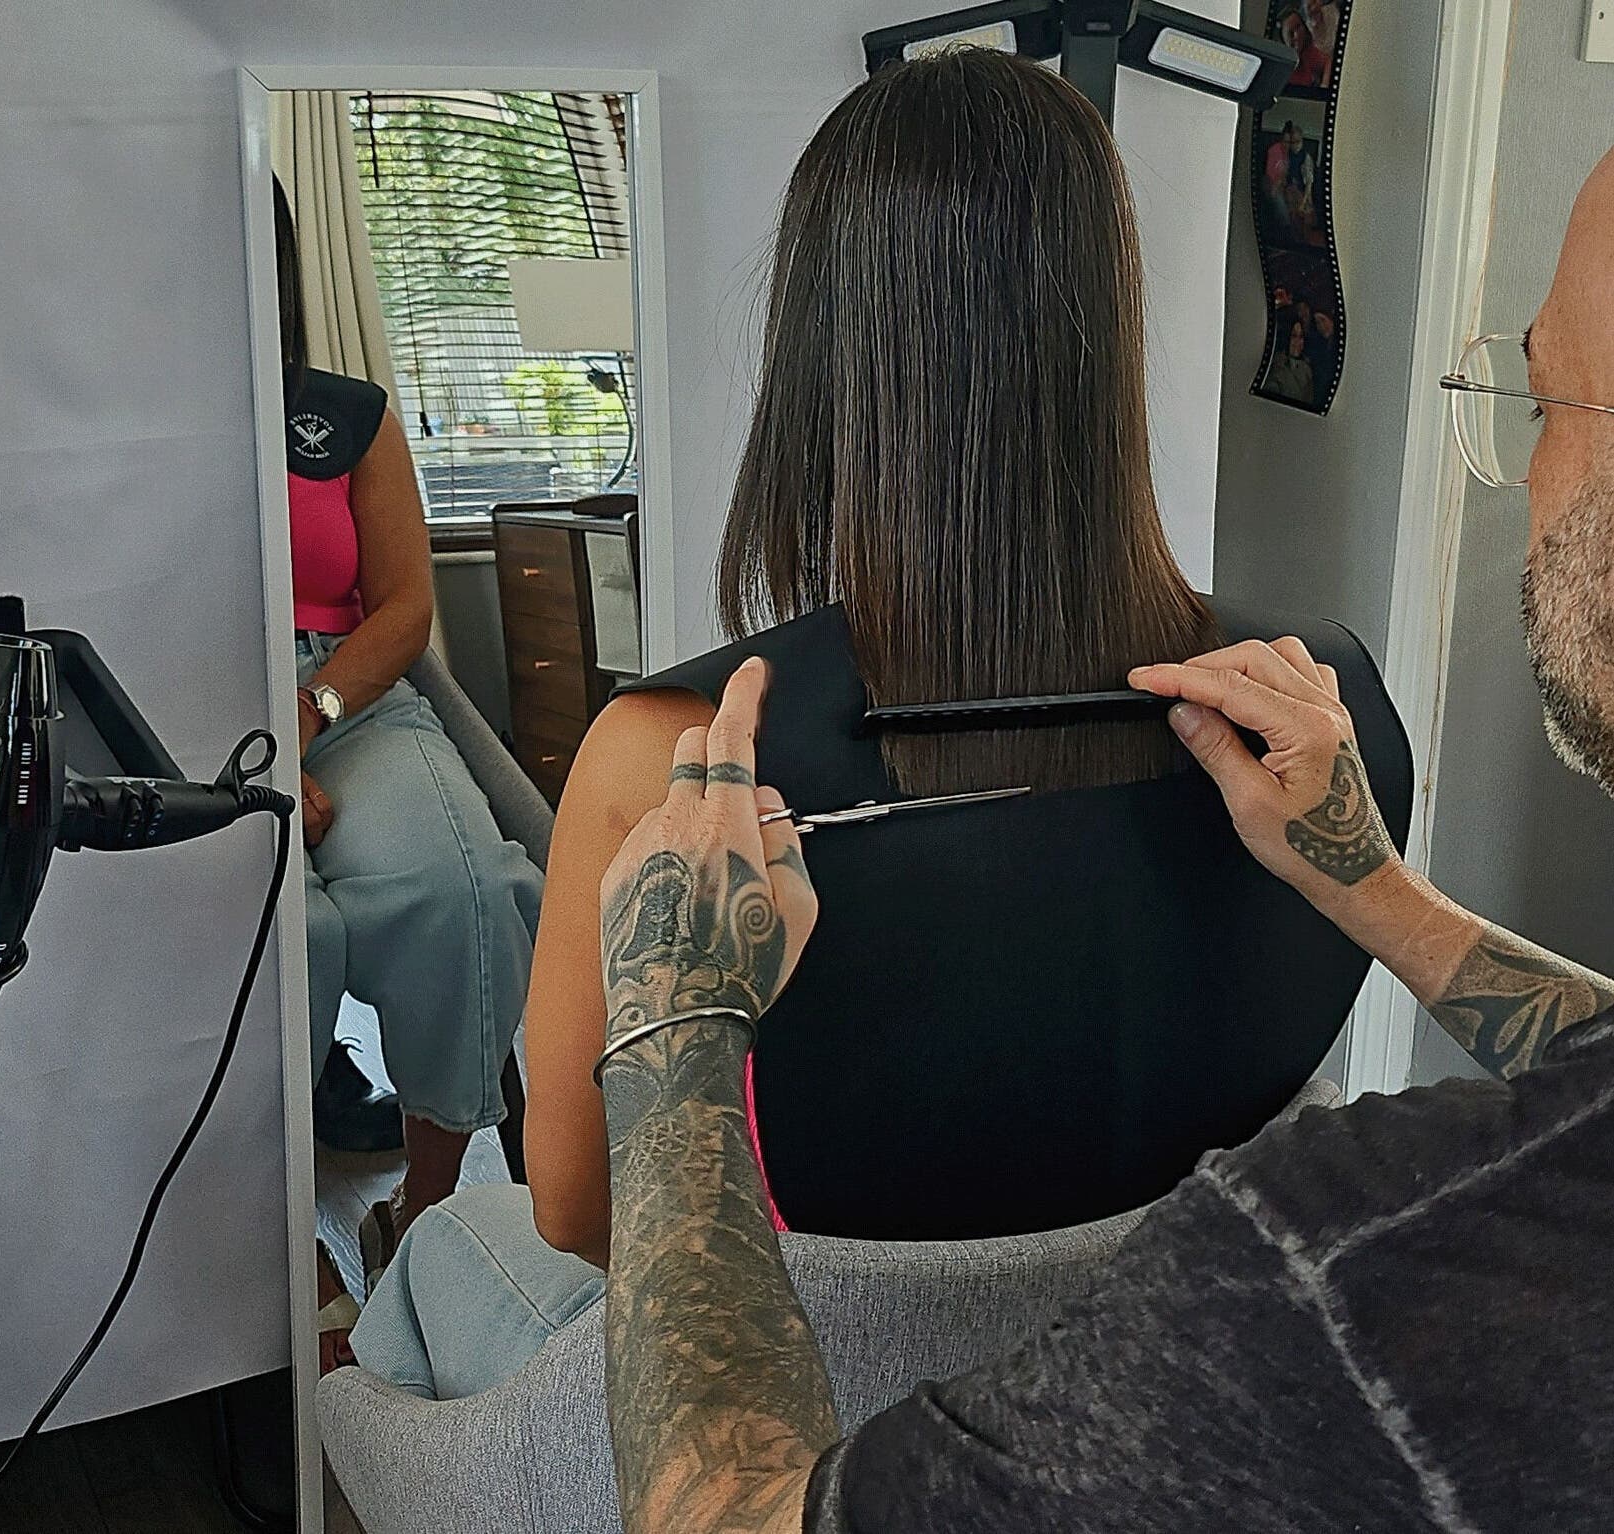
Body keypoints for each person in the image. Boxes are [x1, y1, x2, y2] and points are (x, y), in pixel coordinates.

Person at [348, 51, 1409, 1399]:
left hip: (789, 1412)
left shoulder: (669, 761)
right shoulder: (1321, 714)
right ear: (1107, 322)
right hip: (1157, 1374)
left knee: (444, 1261)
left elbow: (581, 1216)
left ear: (824, 348)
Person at [595, 142, 1614, 1534]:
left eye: (1545, 396)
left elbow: (575, 1222)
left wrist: (677, 1034)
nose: (1527, 468)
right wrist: (1365, 883)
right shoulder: (1340, 702)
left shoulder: (1332, 1276)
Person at [272, 183, 545, 1370]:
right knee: (296, 935)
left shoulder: (346, 417)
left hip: (343, 691)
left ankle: (422, 1216)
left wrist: (309, 708)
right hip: (172, 701)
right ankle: (266, 1256)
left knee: (469, 889)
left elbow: (405, 606)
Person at [1268, 320, 1317, 403]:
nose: (1297, 341)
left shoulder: (1307, 369)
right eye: (1294, 336)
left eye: (1301, 336)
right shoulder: (1274, 365)